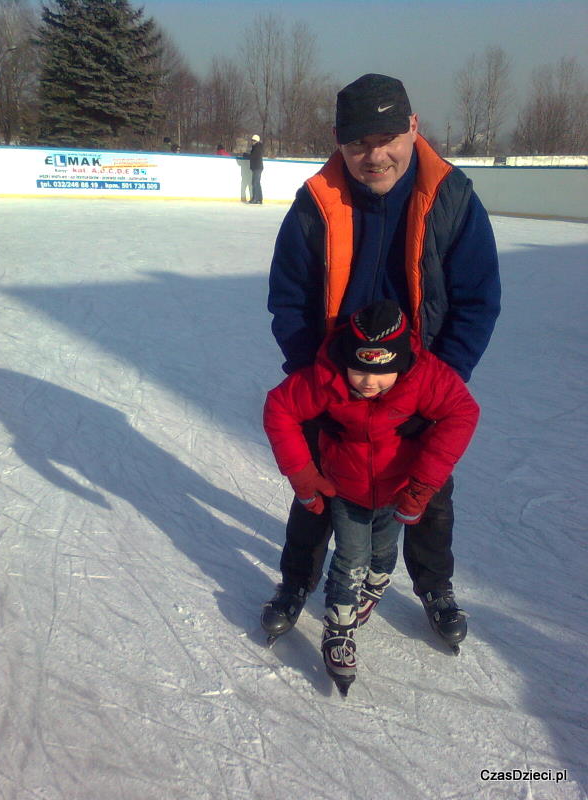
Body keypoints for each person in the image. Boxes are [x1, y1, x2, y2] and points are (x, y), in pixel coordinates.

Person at [262, 73, 501, 648]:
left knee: (428, 495)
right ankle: (296, 583)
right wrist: (315, 378)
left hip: (420, 381)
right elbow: (289, 299)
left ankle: (434, 588)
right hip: (334, 378)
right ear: (339, 141)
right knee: (318, 495)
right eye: (358, 142)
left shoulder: (452, 199)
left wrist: (435, 385)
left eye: (388, 137)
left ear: (413, 128)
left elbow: (478, 300)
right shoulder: (315, 202)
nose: (375, 155)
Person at [264, 299, 479, 691]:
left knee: (382, 552)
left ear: (402, 363)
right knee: (351, 560)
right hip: (345, 490)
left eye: (382, 373)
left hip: (397, 493)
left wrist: (423, 486)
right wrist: (303, 474)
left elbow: (462, 412)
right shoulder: (326, 378)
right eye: (359, 370)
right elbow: (280, 406)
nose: (368, 383)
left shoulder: (423, 377)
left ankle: (379, 581)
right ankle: (339, 627)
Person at [247, 134, 263, 204]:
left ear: (256, 141)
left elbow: (252, 156)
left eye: (253, 140)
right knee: (257, 183)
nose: (252, 142)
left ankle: (255, 199)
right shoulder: (257, 147)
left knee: (255, 183)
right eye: (252, 140)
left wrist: (245, 155)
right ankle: (259, 198)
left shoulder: (257, 147)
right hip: (257, 167)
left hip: (257, 167)